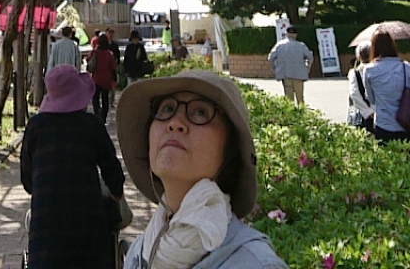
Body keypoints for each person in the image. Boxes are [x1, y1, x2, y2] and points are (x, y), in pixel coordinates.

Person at [118, 69, 288, 269]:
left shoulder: (254, 263)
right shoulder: (140, 251)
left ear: (229, 150)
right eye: (166, 109)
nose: (175, 123)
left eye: (200, 112)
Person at [21, 65, 129, 269]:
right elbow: (113, 173)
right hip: (88, 227)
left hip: (46, 231)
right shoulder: (91, 124)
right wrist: (115, 194)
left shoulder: (35, 126)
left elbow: (28, 181)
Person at [355, 31, 410, 146]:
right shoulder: (406, 67)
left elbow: (371, 99)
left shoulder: (369, 70)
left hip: (384, 126)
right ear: (392, 45)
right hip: (408, 126)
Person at [267, 28, 313, 104]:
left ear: (286, 34)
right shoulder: (301, 46)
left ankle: (291, 115)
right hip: (299, 75)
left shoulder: (279, 45)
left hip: (286, 75)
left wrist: (276, 70)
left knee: (288, 100)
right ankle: (302, 115)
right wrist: (307, 68)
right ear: (296, 35)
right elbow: (310, 57)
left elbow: (270, 58)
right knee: (300, 98)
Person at [89, 30, 120, 118]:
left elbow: (89, 60)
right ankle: (104, 116)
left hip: (96, 78)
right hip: (106, 79)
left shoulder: (94, 52)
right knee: (105, 98)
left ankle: (97, 112)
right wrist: (114, 79)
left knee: (95, 97)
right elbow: (113, 67)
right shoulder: (109, 54)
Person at [345, 44, 372, 127]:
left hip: (362, 114)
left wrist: (368, 112)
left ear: (359, 57)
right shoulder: (378, 70)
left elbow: (354, 94)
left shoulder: (354, 72)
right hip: (378, 114)